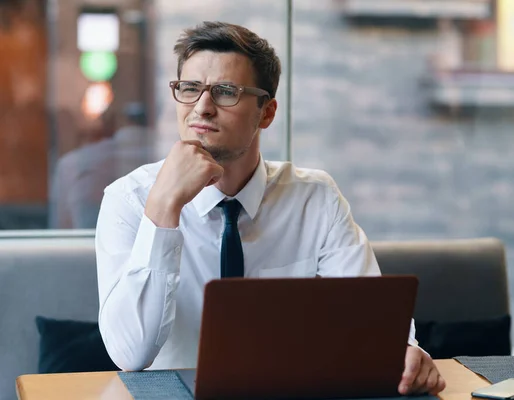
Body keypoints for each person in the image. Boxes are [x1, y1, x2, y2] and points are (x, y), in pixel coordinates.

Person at [95, 21, 445, 396]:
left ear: (267, 113)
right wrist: (164, 210)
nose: (202, 107)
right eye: (190, 88)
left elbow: (372, 320)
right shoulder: (129, 200)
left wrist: (405, 352)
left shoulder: (315, 198)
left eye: (226, 92)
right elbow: (130, 354)